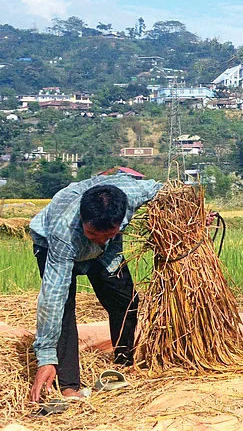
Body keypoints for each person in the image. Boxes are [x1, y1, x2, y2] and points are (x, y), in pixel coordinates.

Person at [28, 173, 162, 404]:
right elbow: (53, 299)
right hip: (51, 245)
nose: (99, 239)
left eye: (109, 233)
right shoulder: (64, 234)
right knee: (65, 310)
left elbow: (169, 192)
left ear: (121, 218)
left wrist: (197, 218)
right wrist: (45, 357)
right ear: (81, 218)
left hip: (107, 255)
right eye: (93, 233)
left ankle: (123, 363)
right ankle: (68, 386)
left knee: (126, 300)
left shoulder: (134, 194)